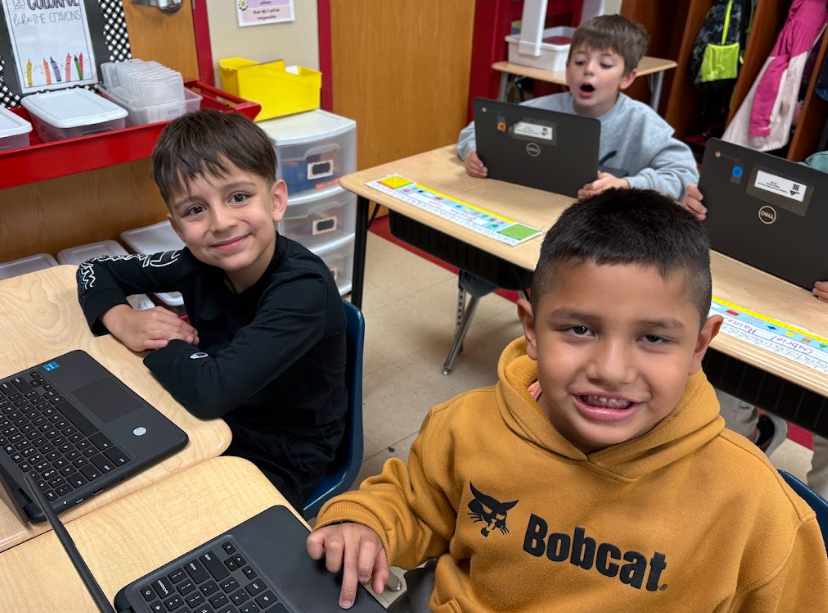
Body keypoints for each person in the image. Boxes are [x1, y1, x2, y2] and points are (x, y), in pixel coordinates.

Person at [307, 189, 828, 612]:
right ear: (531, 329)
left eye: (654, 338)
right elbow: (415, 502)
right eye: (579, 329)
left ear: (699, 346)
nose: (610, 370)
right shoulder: (466, 426)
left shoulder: (754, 508)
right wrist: (364, 522)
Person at [76, 110, 347, 510]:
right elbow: (91, 270)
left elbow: (212, 391)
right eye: (195, 210)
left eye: (238, 197)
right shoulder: (197, 263)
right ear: (178, 226)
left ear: (275, 200)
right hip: (210, 421)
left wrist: (161, 344)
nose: (220, 223)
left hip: (283, 453)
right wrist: (122, 319)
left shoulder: (303, 288)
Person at [682, 182, 828, 497]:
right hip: (780, 305)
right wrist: (700, 208)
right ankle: (748, 447)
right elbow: (767, 215)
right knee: (717, 378)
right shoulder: (818, 168)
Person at [457, 14, 699, 201]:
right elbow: (476, 129)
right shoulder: (542, 109)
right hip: (540, 213)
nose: (589, 69)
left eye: (605, 64)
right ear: (567, 69)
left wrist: (628, 185)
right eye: (580, 61)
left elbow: (684, 175)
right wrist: (472, 152)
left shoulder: (643, 123)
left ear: (627, 77)